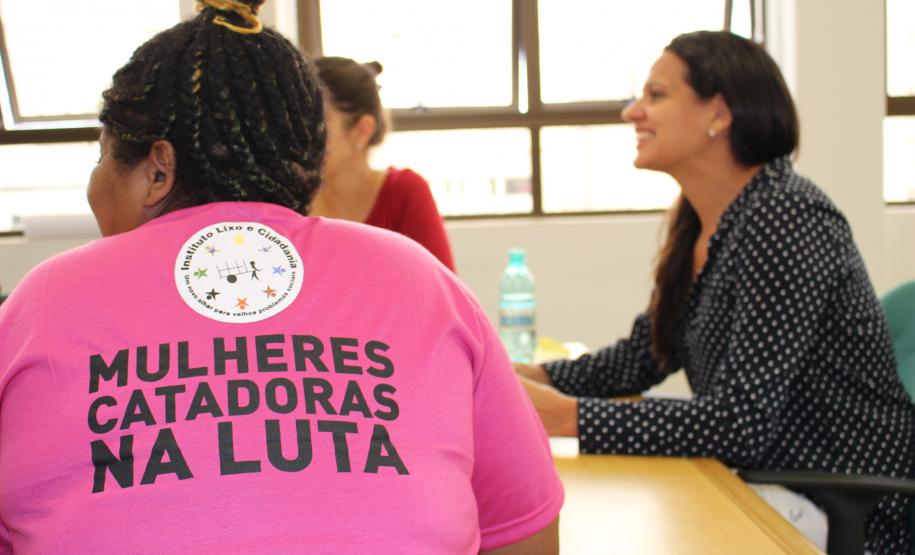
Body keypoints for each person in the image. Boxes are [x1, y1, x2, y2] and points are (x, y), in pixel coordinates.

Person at [0, 2, 561, 553]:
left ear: (157, 169)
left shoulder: (43, 302)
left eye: (100, 157)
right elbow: (527, 532)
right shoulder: (421, 280)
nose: (94, 182)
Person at [515, 30, 915, 554]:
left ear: (719, 115)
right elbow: (645, 356)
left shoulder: (787, 219)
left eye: (656, 95)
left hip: (841, 504)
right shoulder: (704, 222)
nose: (632, 112)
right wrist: (532, 378)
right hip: (766, 478)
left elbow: (738, 422)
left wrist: (564, 414)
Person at [309, 56, 456, 272]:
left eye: (317, 122)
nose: (301, 134)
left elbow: (443, 294)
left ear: (362, 130)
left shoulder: (405, 192)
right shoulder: (292, 199)